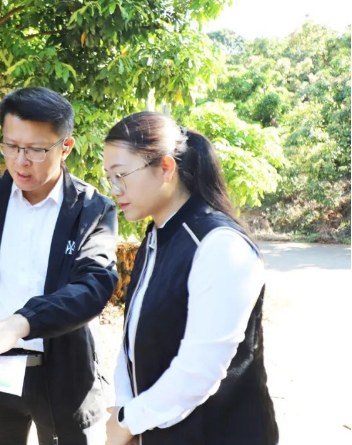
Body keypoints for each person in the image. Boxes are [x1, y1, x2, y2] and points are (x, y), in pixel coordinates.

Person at [0, 87, 119, 445]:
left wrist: (21, 323)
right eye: (12, 146)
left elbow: (93, 286)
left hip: (64, 373)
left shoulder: (91, 210)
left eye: (36, 150)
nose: (21, 161)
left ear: (66, 147)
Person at [102, 111, 279, 445]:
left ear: (166, 168)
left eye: (122, 175)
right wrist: (126, 410)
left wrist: (128, 421)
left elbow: (198, 372)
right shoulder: (154, 238)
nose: (114, 189)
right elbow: (131, 341)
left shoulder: (220, 246)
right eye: (109, 177)